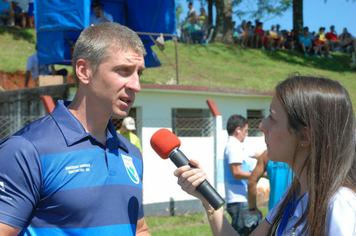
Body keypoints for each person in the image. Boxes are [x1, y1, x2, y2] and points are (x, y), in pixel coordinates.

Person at [0, 22, 151, 236]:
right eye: (123, 71)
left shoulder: (132, 153)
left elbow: (140, 229)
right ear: (84, 71)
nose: (136, 85)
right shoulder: (25, 150)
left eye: (139, 73)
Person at [174, 74, 356, 236]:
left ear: (305, 135)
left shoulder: (340, 204)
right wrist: (208, 200)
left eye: (272, 118)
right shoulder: (293, 195)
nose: (262, 126)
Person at [223, 114, 262, 235]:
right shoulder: (233, 146)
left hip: (242, 199)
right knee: (243, 232)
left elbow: (257, 155)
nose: (247, 134)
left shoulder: (239, 146)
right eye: (245, 131)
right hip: (238, 200)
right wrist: (260, 175)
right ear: (237, 130)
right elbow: (236, 173)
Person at [247, 150, 293, 216]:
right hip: (299, 210)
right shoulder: (301, 151)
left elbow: (251, 183)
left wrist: (252, 209)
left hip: (274, 212)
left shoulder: (266, 155)